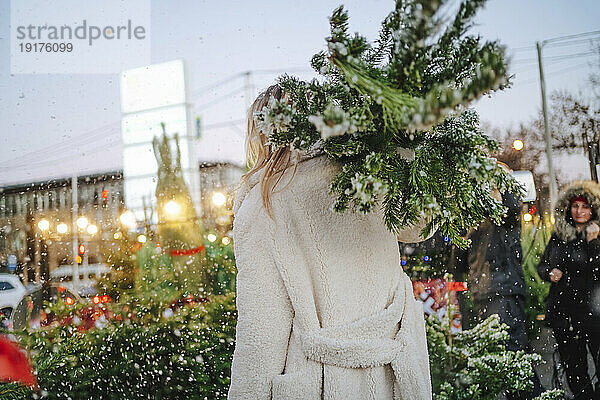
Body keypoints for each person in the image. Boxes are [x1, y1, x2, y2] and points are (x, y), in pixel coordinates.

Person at [227, 84, 432, 400]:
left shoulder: (266, 204)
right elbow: (421, 226)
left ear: (262, 135)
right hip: (394, 373)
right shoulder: (368, 175)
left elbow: (261, 333)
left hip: (323, 382)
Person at [450, 173, 544, 400]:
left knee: (512, 352)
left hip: (504, 292)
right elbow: (457, 262)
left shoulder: (504, 219)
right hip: (483, 294)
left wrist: (500, 179)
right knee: (496, 354)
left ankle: (528, 395)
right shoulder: (474, 226)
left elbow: (512, 206)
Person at [537, 181, 600, 400]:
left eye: (585, 206)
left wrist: (593, 244)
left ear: (593, 209)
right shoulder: (559, 236)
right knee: (575, 369)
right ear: (568, 208)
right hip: (565, 313)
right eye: (575, 206)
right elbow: (542, 265)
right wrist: (549, 272)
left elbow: (597, 272)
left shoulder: (597, 236)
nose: (580, 211)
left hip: (594, 312)